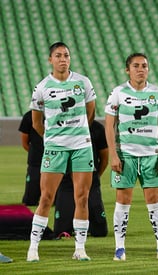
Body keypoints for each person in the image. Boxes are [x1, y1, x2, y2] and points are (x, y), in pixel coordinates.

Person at [26, 41, 96, 262]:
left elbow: (90, 114)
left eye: (66, 55)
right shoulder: (42, 87)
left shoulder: (83, 82)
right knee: (46, 197)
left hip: (81, 146)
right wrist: (51, 138)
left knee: (82, 197)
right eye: (58, 55)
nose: (63, 59)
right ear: (50, 60)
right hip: (55, 147)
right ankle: (33, 248)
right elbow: (36, 122)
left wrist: (77, 133)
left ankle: (80, 248)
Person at [105, 53, 158, 261]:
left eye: (144, 66)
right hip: (126, 156)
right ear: (128, 70)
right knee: (123, 201)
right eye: (136, 66)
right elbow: (109, 125)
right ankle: (119, 248)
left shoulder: (157, 93)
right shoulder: (118, 93)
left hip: (151, 155)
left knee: (154, 200)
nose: (141, 69)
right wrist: (113, 155)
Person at [54, 120, 109, 238]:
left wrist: (95, 176)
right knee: (61, 231)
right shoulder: (61, 126)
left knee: (100, 231)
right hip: (66, 179)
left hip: (89, 176)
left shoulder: (96, 128)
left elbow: (104, 157)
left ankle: (86, 227)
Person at [18, 110, 44, 206]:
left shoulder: (59, 113)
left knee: (59, 199)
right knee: (30, 201)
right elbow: (25, 143)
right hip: (35, 161)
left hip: (56, 159)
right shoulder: (29, 116)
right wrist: (35, 152)